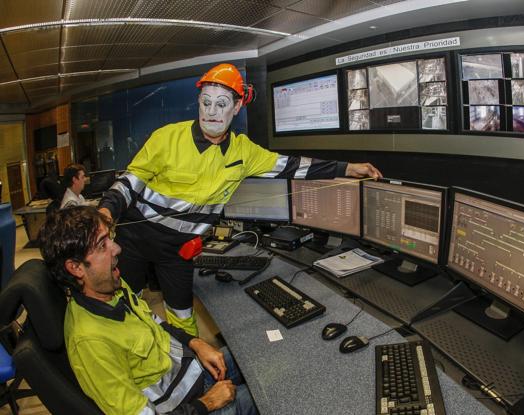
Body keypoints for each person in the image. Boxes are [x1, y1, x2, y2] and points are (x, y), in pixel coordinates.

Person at [98, 63, 383, 335]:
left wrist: (347, 168)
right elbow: (129, 182)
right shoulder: (167, 137)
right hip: (133, 241)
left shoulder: (244, 152)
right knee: (123, 308)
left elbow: (294, 166)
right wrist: (106, 212)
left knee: (183, 318)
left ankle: (189, 364)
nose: (211, 112)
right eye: (205, 102)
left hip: (177, 251)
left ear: (236, 108)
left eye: (221, 104)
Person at [39, 206, 257, 415]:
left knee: (259, 355)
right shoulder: (90, 342)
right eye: (102, 245)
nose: (117, 248)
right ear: (76, 267)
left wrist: (196, 343)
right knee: (269, 399)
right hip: (185, 405)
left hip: (189, 371)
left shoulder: (111, 285)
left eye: (110, 238)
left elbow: (154, 322)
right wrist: (207, 403)